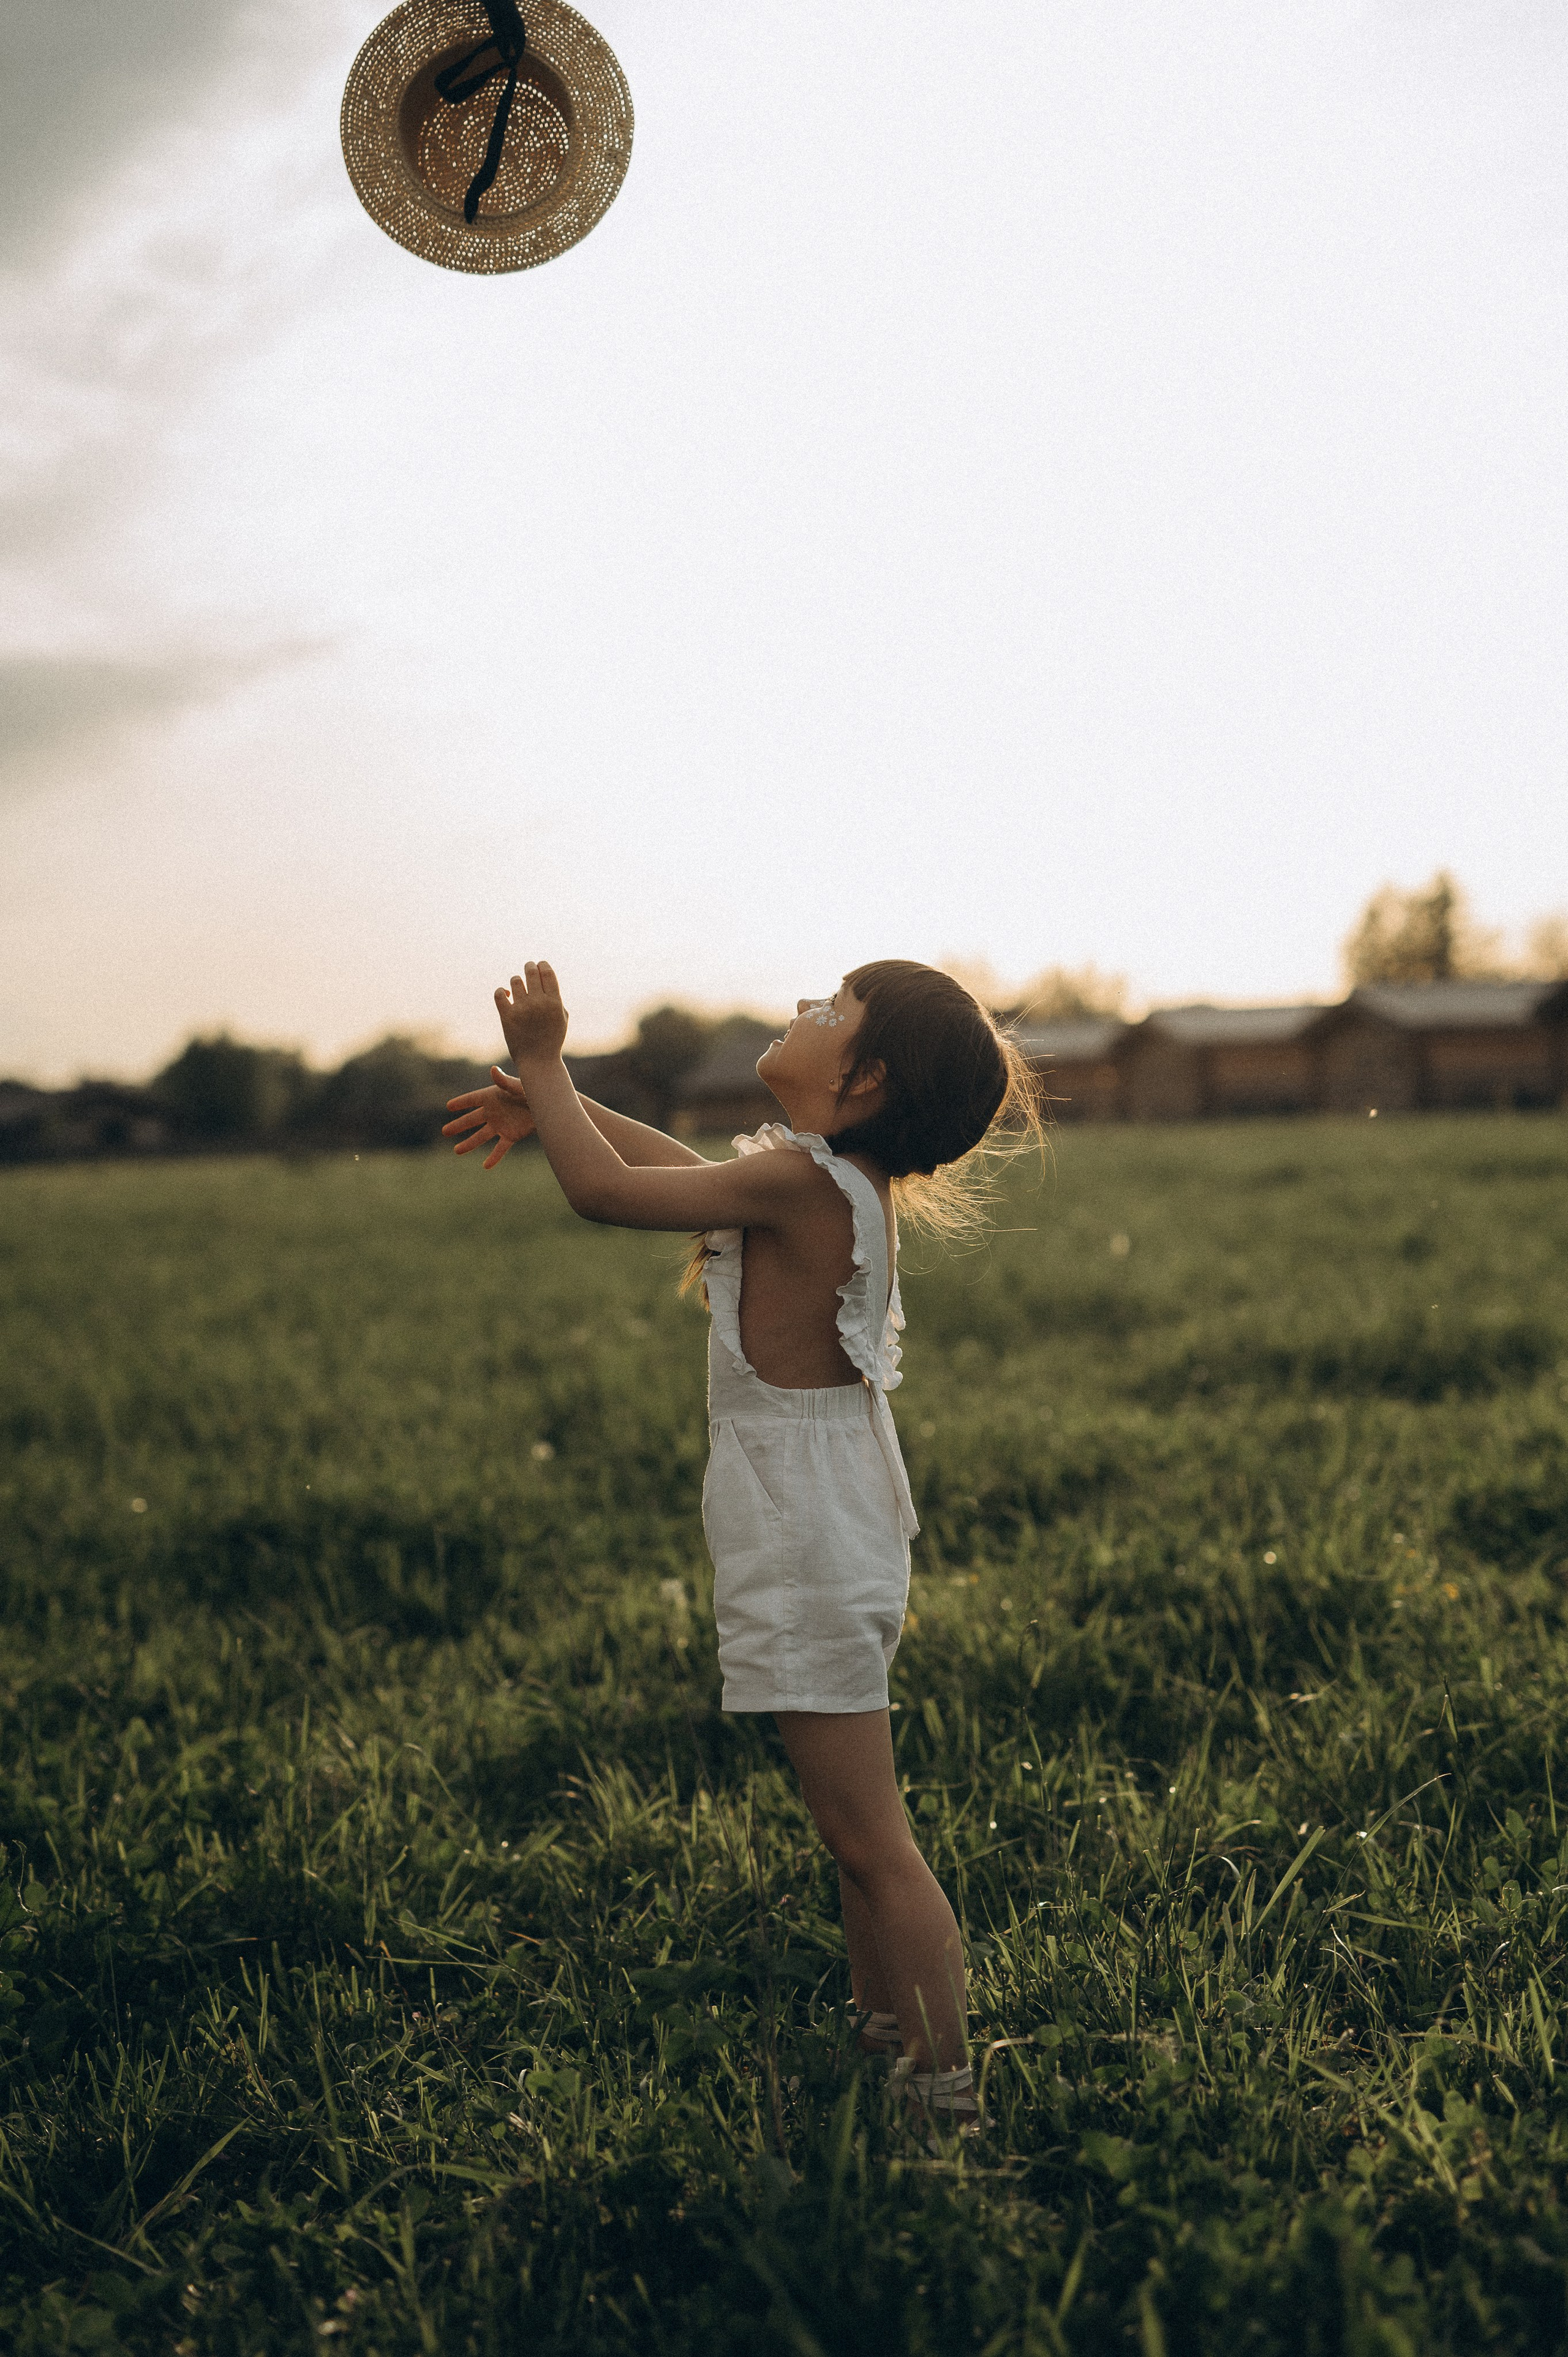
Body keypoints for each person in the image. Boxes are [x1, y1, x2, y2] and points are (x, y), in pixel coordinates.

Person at [443, 958, 1041, 2129]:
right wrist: (551, 1101)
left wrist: (552, 1065)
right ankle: (889, 2041)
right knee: (850, 1830)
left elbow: (608, 1193)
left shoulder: (809, 1190)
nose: (805, 1008)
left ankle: (943, 2100)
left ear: (863, 1078)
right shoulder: (815, 1180)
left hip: (811, 1525)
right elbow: (665, 1169)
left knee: (872, 1838)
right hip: (819, 1513)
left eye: (833, 1010)